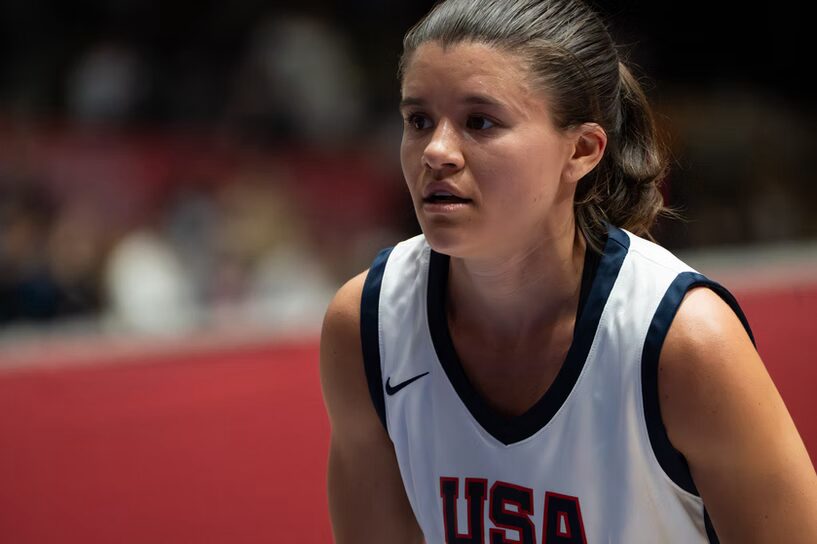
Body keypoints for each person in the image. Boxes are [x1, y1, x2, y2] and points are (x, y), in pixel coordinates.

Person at [319, 0, 817, 542]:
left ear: (581, 150)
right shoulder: (367, 325)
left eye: (479, 122)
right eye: (418, 120)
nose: (436, 151)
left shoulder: (685, 343)